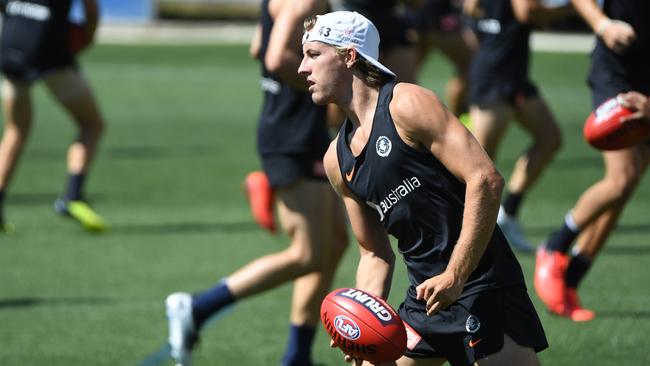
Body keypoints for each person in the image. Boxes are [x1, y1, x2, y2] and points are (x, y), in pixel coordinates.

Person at [299, 10, 547, 365]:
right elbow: (374, 253)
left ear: (348, 55)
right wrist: (359, 326)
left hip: (480, 285)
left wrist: (456, 275)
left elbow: (486, 179)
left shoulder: (407, 105)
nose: (301, 69)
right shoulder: (337, 161)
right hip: (425, 297)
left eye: (313, 55)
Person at [165, 1, 349, 365]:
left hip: (295, 127)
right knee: (307, 254)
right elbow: (274, 57)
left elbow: (258, 46)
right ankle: (197, 307)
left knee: (334, 242)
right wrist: (329, 83)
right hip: (292, 133)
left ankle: (296, 355)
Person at [535, 0, 650, 322]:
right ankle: (554, 247)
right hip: (616, 75)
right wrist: (603, 25)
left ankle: (571, 282)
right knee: (622, 178)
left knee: (628, 186)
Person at [463, 0, 574, 252]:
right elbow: (527, 11)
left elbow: (470, 9)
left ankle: (508, 213)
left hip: (512, 74)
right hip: (494, 76)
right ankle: (459, 233)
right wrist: (574, 8)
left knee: (550, 138)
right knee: (477, 166)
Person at [0, 0, 107, 233]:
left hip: (10, 45)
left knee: (15, 130)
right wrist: (87, 36)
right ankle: (73, 196)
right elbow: (91, 9)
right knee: (92, 124)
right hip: (48, 51)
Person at [405, 0, 478, 121]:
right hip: (433, 17)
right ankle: (455, 121)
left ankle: (454, 120)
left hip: (428, 17)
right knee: (472, 64)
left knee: (471, 65)